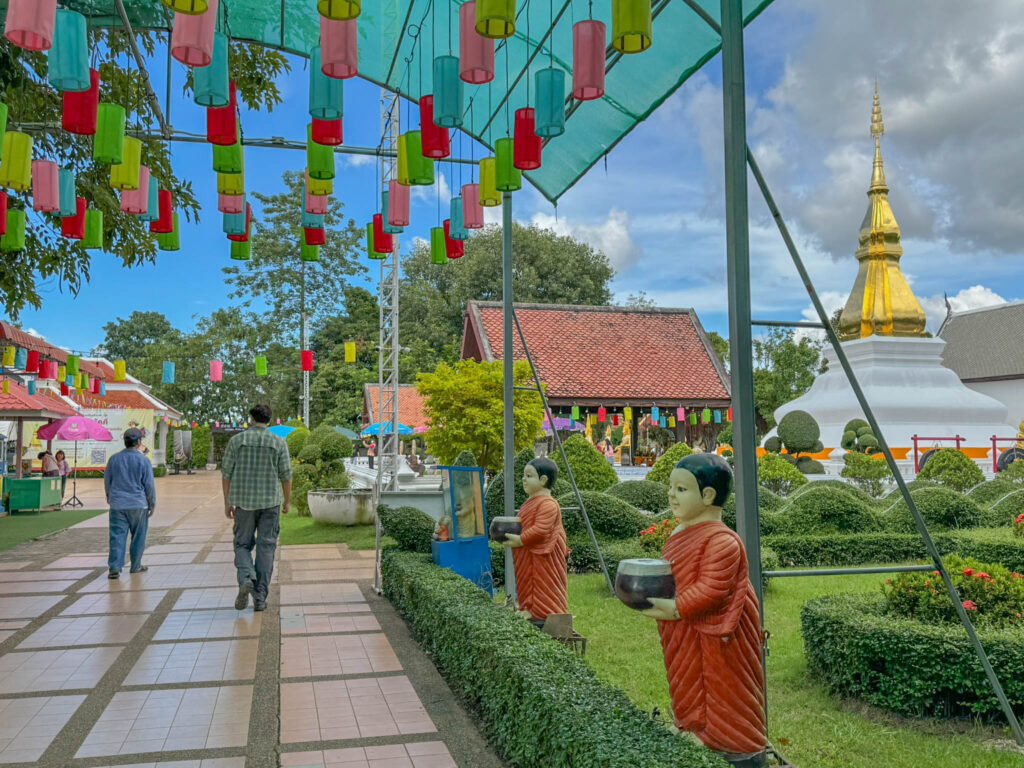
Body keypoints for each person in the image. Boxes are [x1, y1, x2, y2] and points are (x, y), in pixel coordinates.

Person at [642, 453, 767, 767]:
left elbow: (712, 590)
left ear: (708, 495)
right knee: (685, 678)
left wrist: (676, 608)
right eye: (671, 487)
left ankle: (733, 743)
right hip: (685, 631)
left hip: (719, 635)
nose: (671, 494)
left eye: (681, 489)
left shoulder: (722, 541)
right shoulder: (680, 533)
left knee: (723, 686)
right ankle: (692, 724)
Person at [222, 404, 292, 612]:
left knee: (242, 545)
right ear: (269, 420)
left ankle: (246, 578)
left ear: (251, 417)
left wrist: (227, 502)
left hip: (243, 504)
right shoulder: (278, 442)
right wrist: (287, 501)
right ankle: (260, 598)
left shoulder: (237, 441)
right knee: (266, 548)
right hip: (271, 503)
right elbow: (286, 476)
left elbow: (226, 474)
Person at [503, 457, 569, 627]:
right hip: (527, 554)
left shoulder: (548, 504)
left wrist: (520, 539)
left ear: (543, 480)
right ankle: (528, 607)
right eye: (524, 475)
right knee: (525, 581)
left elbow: (541, 530)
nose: (524, 479)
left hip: (543, 557)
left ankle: (542, 612)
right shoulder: (531, 502)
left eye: (529, 476)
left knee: (542, 584)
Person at [104, 428, 156, 579]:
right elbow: (149, 485)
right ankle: (135, 566)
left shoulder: (114, 459)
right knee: (139, 536)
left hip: (117, 504)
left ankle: (115, 567)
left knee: (117, 536)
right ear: (139, 442)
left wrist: (109, 496)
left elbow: (108, 480)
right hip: (138, 504)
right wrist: (152, 503)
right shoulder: (143, 460)